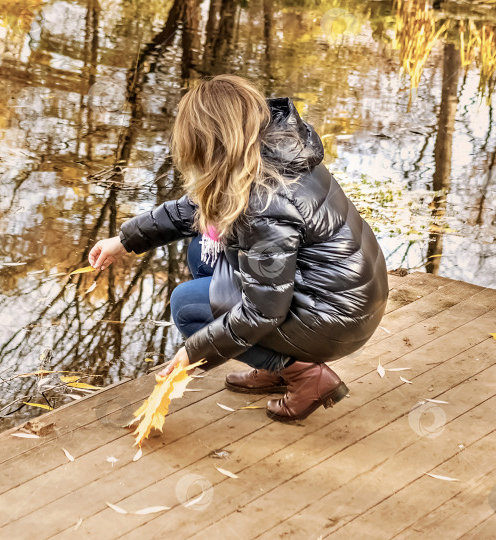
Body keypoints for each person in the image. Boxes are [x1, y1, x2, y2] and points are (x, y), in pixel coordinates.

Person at [88, 75, 388, 423]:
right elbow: (195, 210)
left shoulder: (266, 202)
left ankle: (305, 375)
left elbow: (262, 312)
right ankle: (279, 363)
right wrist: (125, 240)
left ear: (210, 143)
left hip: (338, 317)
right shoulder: (271, 148)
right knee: (204, 249)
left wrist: (191, 352)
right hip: (341, 293)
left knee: (188, 308)